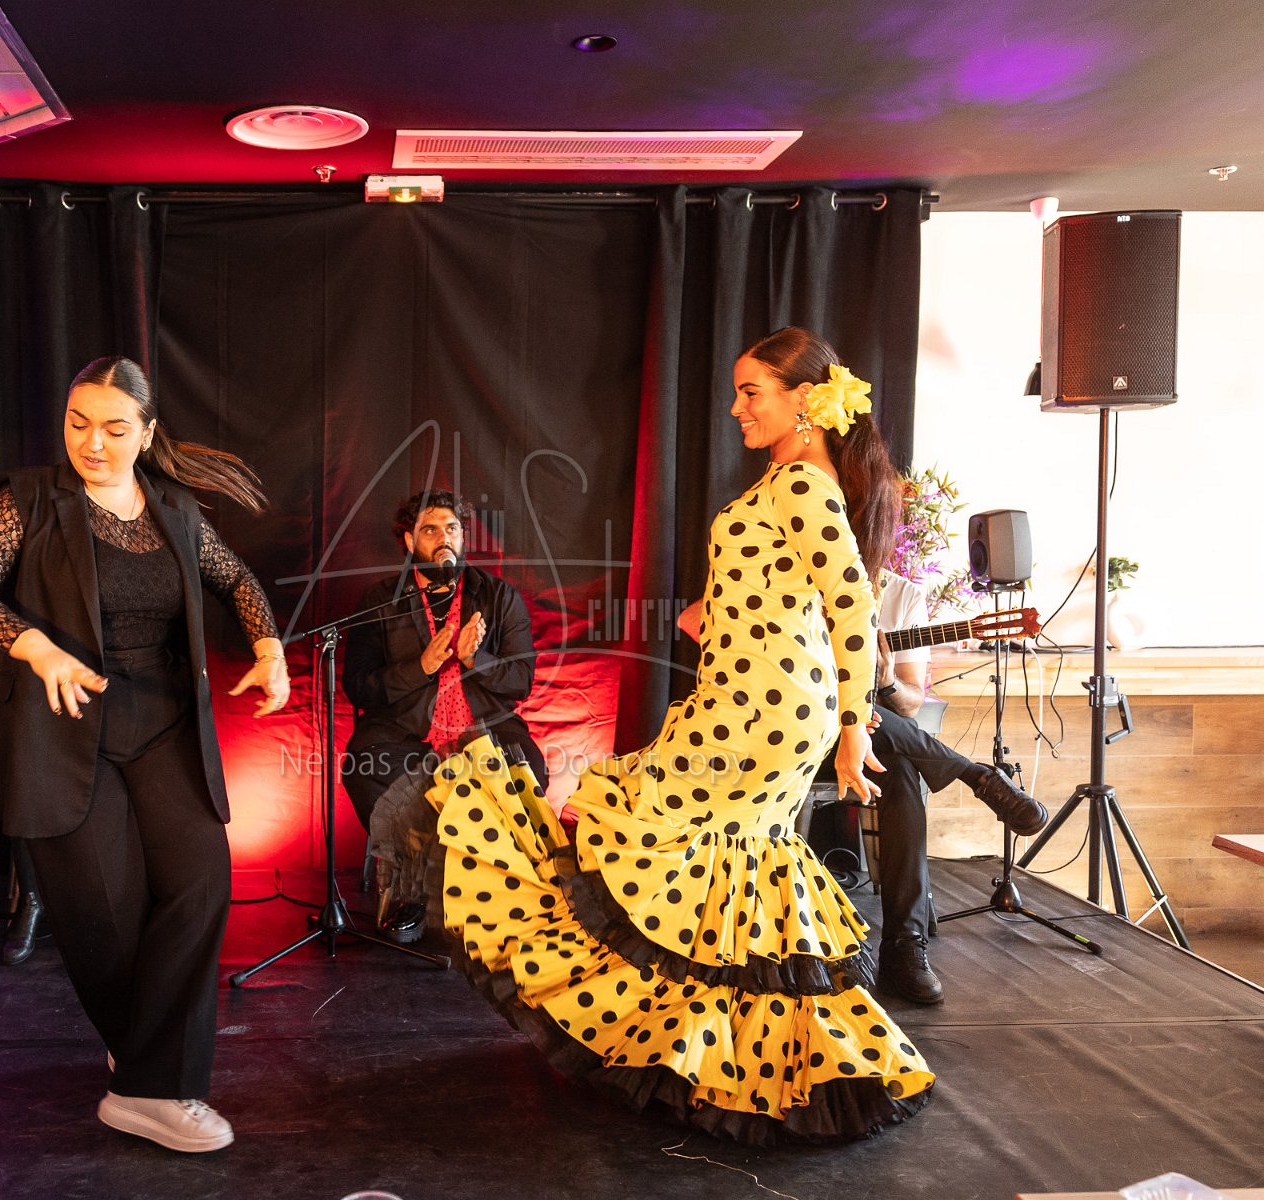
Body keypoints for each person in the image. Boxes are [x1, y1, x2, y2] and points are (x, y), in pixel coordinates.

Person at [381, 327, 935, 1145]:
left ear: (805, 402)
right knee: (720, 871)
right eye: (737, 391)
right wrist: (717, 616)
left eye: (752, 392)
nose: (737, 407)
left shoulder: (802, 485)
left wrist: (855, 725)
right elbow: (786, 593)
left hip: (759, 713)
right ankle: (726, 1058)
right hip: (753, 697)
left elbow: (851, 606)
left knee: (650, 837)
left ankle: (707, 1053)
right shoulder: (788, 481)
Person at [0, 355, 289, 1154]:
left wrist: (270, 650)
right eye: (78, 424)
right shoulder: (29, 501)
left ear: (147, 433)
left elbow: (237, 580)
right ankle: (150, 1085)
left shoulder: (174, 510)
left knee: (201, 883)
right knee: (106, 912)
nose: (92, 443)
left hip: (161, 724)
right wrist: (39, 649)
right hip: (63, 730)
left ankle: (143, 1076)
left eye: (114, 429)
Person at [740, 569, 1048, 1006]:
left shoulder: (902, 595)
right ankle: (974, 775)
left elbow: (910, 704)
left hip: (868, 737)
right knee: (858, 722)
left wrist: (885, 680)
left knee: (898, 765)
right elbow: (694, 620)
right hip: (787, 733)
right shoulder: (784, 576)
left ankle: (905, 945)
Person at [341, 490, 547, 942]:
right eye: (430, 530)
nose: (443, 538)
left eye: (452, 528)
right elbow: (358, 685)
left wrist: (476, 661)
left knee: (527, 771)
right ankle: (416, 892)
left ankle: (496, 892)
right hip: (405, 732)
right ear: (408, 540)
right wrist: (421, 667)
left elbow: (520, 680)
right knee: (364, 767)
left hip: (485, 730)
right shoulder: (379, 600)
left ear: (463, 536)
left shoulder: (498, 597)